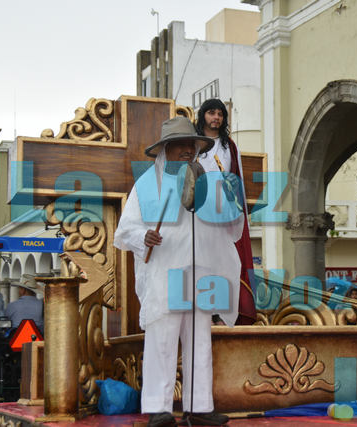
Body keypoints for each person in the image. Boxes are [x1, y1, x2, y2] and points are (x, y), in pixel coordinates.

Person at [114, 117, 243, 426]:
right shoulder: (148, 184)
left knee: (200, 338)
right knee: (162, 338)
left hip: (200, 271)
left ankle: (199, 407)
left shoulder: (206, 180)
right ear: (166, 149)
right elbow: (125, 230)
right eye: (181, 144)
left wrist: (228, 199)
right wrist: (144, 236)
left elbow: (230, 223)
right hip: (166, 272)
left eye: (191, 144)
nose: (187, 149)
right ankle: (158, 408)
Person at [195, 98, 256, 326]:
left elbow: (237, 180)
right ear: (203, 116)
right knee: (200, 260)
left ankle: (221, 313)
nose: (216, 118)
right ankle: (202, 310)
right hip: (198, 212)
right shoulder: (194, 144)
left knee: (223, 260)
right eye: (211, 113)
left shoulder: (228, 146)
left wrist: (237, 211)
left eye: (220, 114)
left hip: (223, 215)